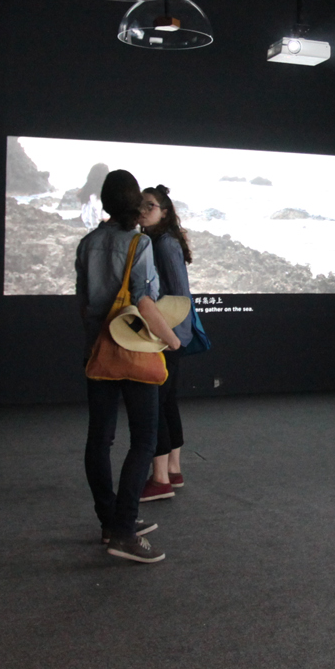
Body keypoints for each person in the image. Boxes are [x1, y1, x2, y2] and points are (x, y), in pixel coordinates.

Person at [75, 169, 181, 563]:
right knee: (144, 439)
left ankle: (110, 522)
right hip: (134, 349)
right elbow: (146, 304)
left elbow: (84, 304)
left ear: (104, 203)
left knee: (99, 439)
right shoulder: (139, 244)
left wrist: (92, 340)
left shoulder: (88, 243)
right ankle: (124, 529)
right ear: (136, 205)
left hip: (98, 352)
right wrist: (171, 339)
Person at [138, 185, 193, 501]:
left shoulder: (164, 244)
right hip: (172, 335)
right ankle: (173, 469)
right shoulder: (161, 241)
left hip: (166, 336)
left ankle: (160, 479)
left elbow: (177, 297)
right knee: (167, 401)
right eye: (140, 206)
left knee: (157, 403)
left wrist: (169, 337)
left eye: (150, 206)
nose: (143, 211)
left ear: (165, 211)